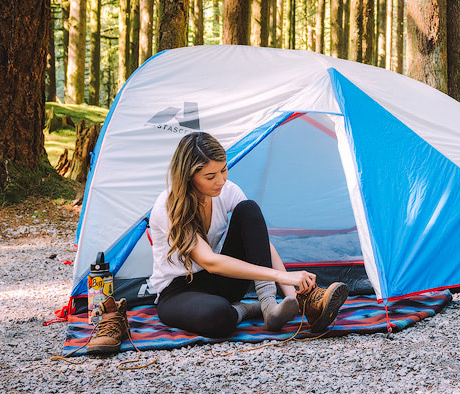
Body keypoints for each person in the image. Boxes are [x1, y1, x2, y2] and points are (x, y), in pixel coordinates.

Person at [87, 132, 348, 354]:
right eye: (210, 176)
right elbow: (210, 261)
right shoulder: (168, 206)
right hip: (177, 293)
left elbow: (259, 241)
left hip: (221, 285)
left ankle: (271, 307)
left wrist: (293, 292)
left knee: (249, 209)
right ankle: (248, 309)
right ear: (190, 177)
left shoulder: (228, 191)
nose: (221, 180)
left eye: (223, 170)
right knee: (220, 318)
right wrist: (285, 276)